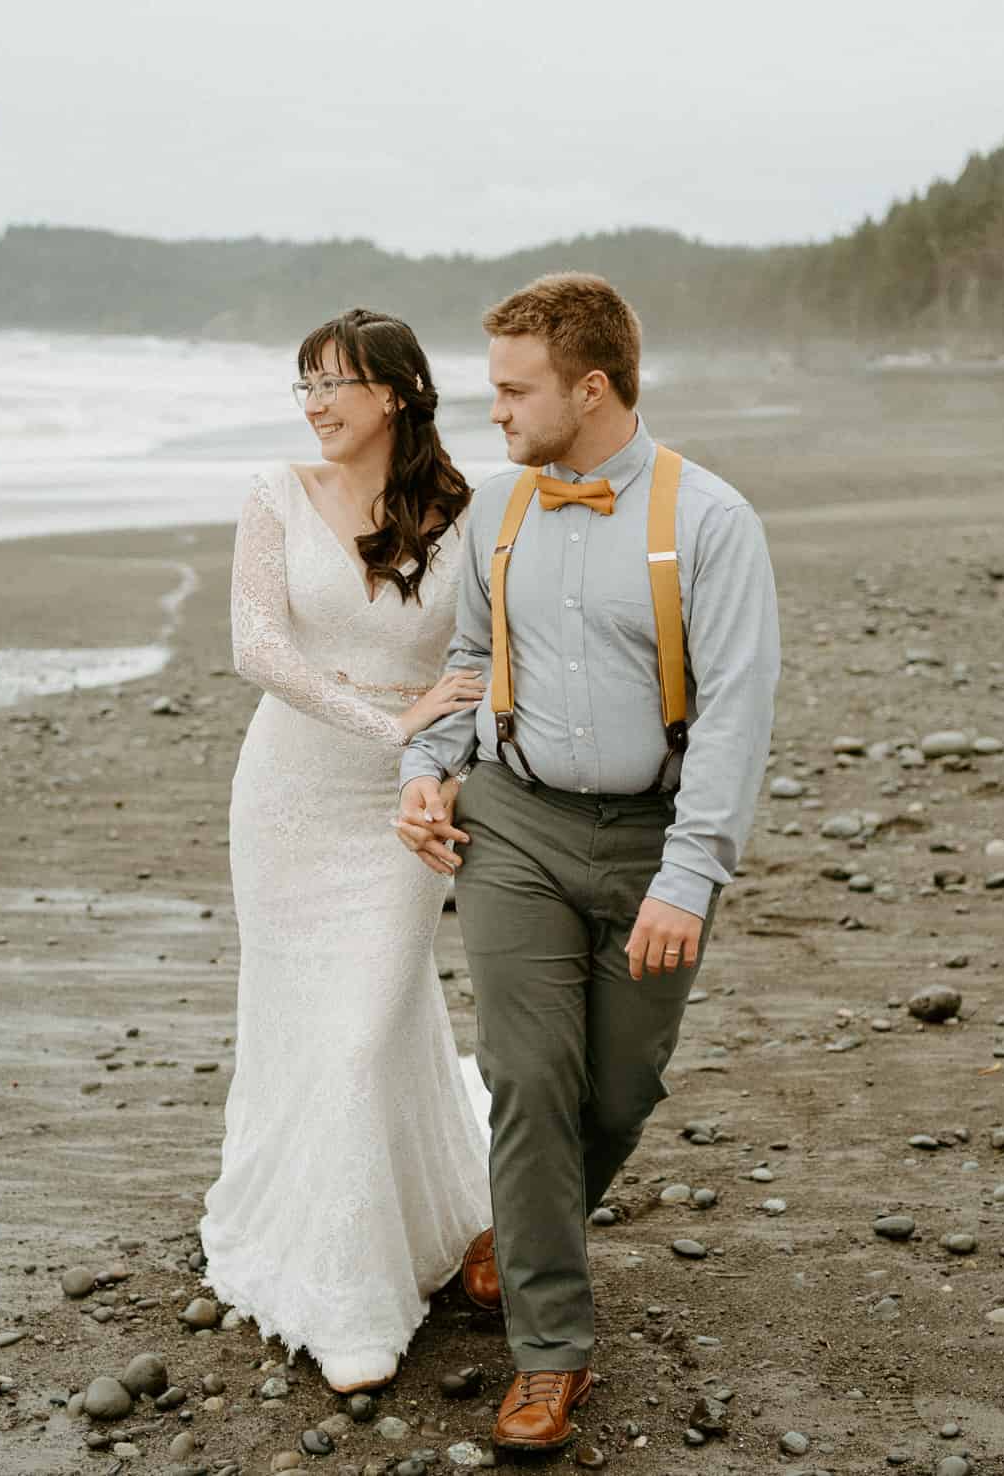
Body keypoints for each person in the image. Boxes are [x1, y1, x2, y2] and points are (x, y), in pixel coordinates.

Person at [394, 274, 780, 1450]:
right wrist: (425, 763)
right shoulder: (497, 511)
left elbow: (733, 715)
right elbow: (469, 654)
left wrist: (689, 876)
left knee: (619, 1090)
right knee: (526, 1079)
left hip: (655, 841)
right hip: (511, 825)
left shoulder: (710, 521)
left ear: (591, 387)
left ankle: (516, 1238)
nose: (493, 411)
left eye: (514, 390)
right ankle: (550, 1355)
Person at [200, 308, 492, 1394]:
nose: (316, 404)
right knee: (301, 1018)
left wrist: (436, 752)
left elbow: (484, 653)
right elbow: (257, 648)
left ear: (399, 392)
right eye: (303, 385)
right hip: (290, 792)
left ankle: (365, 1274)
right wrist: (392, 726)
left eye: (336, 383)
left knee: (370, 1024)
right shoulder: (275, 495)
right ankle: (326, 1269)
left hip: (404, 806)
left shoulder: (466, 512)